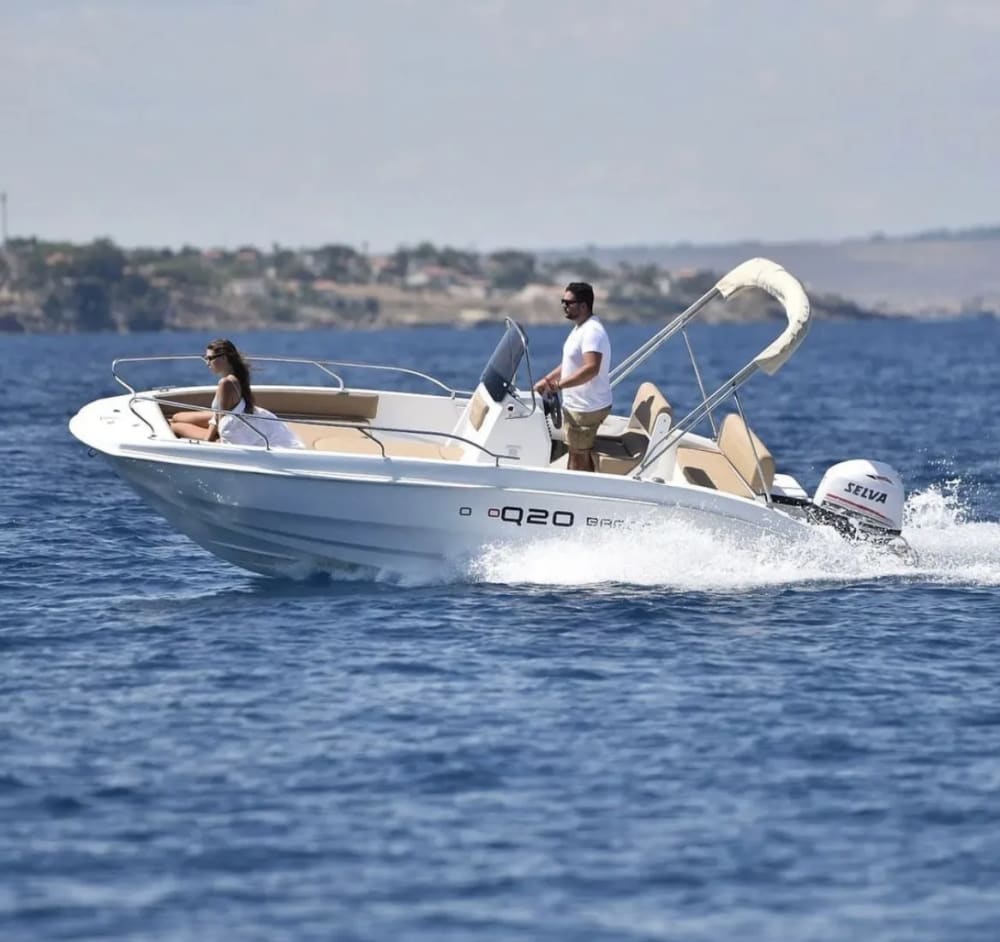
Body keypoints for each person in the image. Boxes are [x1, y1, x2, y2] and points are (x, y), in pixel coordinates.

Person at [533, 282, 612, 472]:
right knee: (575, 452)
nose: (564, 306)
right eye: (563, 301)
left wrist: (559, 386)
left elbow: (591, 368)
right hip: (578, 405)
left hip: (586, 407)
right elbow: (569, 364)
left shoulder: (592, 332)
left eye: (569, 302)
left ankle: (583, 493)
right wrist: (547, 381)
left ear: (584, 306)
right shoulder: (580, 328)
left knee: (578, 456)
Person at [169, 338, 303, 448]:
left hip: (233, 430)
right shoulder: (236, 377)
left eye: (210, 358)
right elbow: (219, 415)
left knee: (175, 426)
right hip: (234, 419)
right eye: (206, 358)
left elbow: (220, 422)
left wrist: (207, 441)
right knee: (176, 416)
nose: (207, 363)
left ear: (224, 358)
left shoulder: (226, 383)